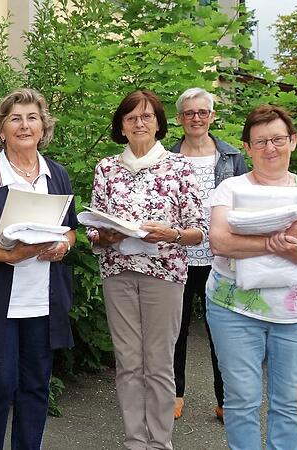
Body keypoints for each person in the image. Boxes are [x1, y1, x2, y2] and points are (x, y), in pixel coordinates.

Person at [0, 89, 77, 450]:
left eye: (32, 117)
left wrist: (63, 245)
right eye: (15, 118)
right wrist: (5, 256)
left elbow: (69, 227)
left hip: (43, 300)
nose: (25, 125)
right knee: (1, 385)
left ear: (43, 127)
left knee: (37, 386)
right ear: (1, 129)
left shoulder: (57, 175)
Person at [87, 90, 207, 450]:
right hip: (118, 273)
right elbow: (93, 229)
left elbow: (198, 228)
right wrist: (103, 234)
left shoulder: (179, 167)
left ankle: (159, 442)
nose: (139, 123)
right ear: (121, 127)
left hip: (165, 274)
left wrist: (171, 233)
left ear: (158, 124)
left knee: (158, 362)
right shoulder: (107, 168)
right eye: (131, 118)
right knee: (127, 362)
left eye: (147, 117)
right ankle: (134, 441)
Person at [206, 105, 297, 450]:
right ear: (246, 148)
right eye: (260, 141)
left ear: (293, 141)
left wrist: (296, 254)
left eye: (278, 139)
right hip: (233, 310)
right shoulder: (229, 190)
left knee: (291, 402)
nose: (270, 148)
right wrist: (274, 243)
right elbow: (220, 242)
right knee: (241, 400)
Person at [168, 87, 247, 421]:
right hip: (179, 255)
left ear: (212, 116)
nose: (196, 118)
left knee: (222, 330)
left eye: (202, 112)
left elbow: (246, 204)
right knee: (175, 329)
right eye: (189, 113)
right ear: (179, 118)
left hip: (220, 258)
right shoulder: (167, 158)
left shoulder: (230, 158)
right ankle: (174, 394)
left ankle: (225, 399)